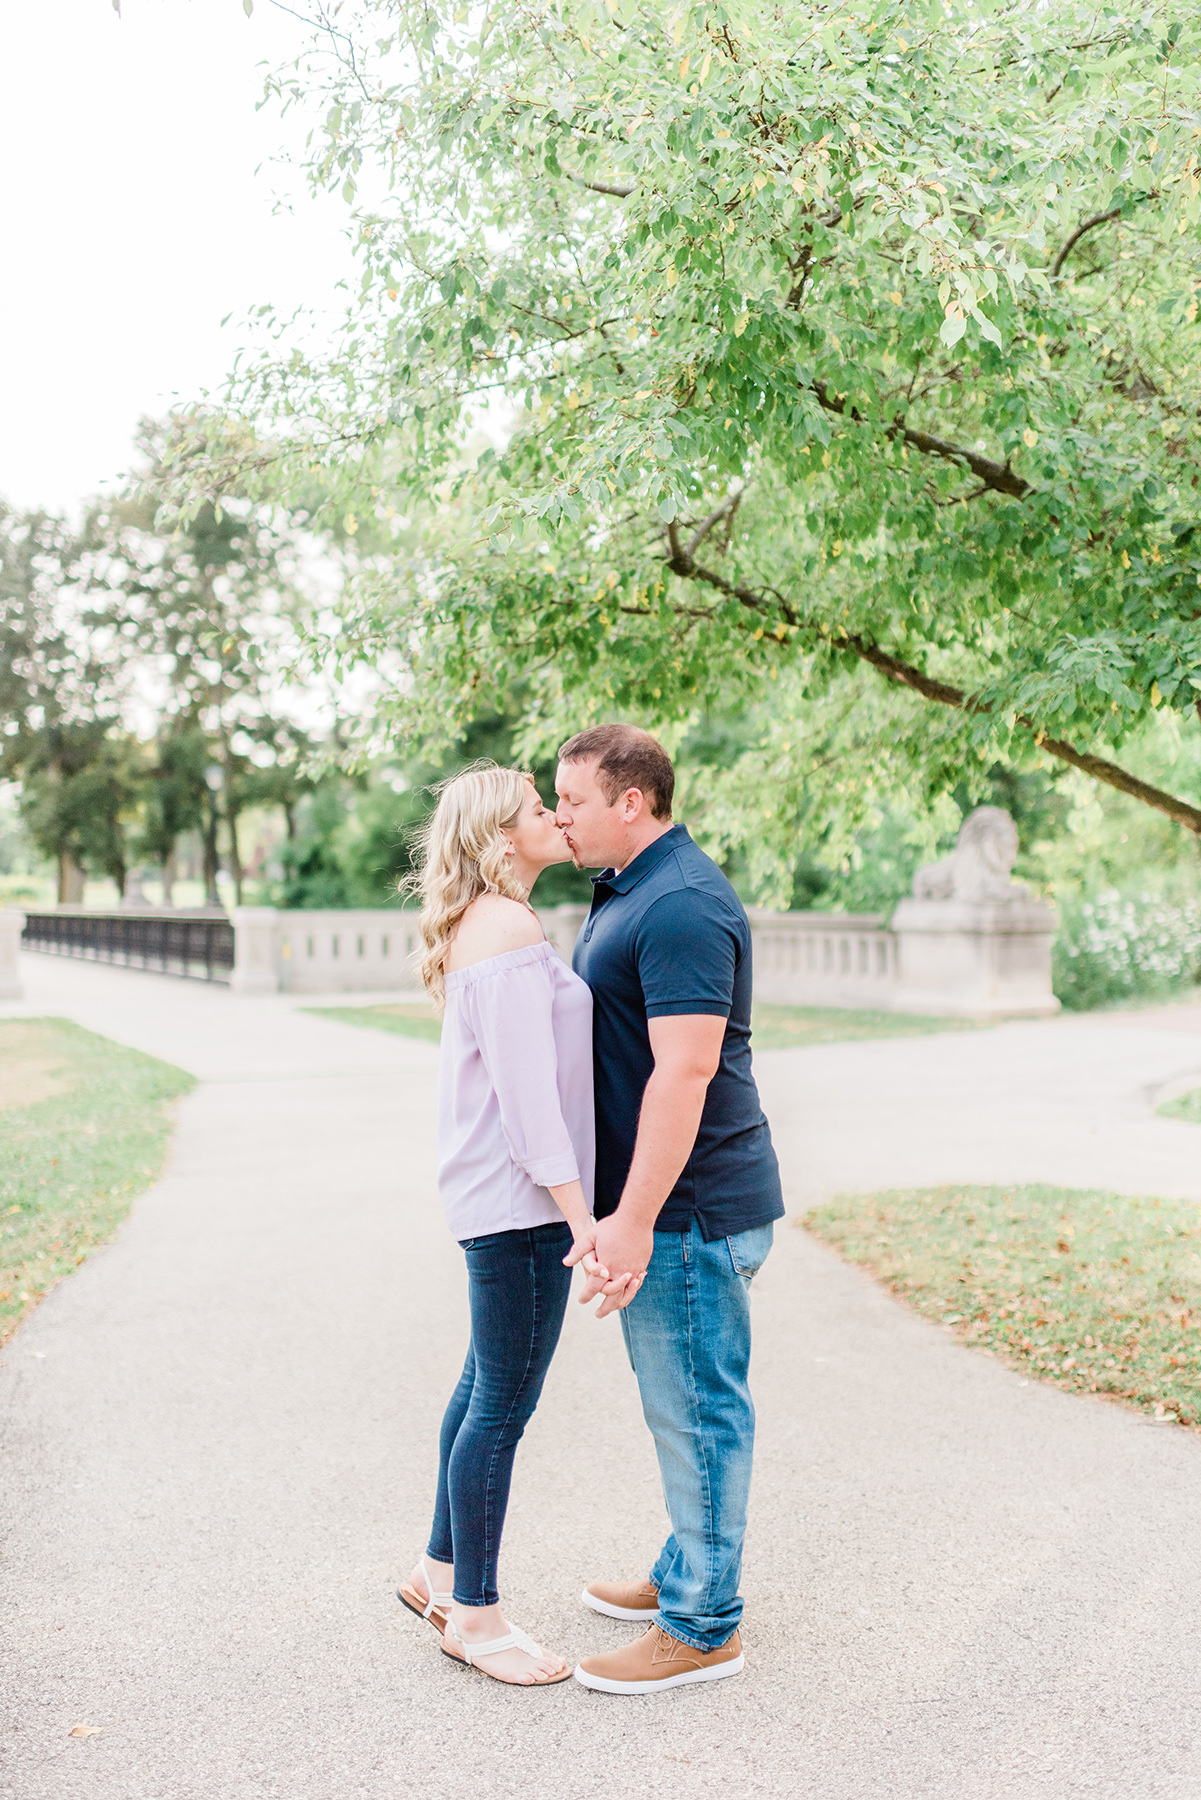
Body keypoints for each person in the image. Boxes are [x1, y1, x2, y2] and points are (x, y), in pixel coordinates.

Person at [554, 724, 784, 1695]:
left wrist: (634, 1218)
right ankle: (687, 1565)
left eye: (570, 801)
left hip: (689, 1210)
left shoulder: (681, 903)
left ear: (630, 803)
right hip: (673, 1205)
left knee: (697, 1410)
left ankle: (701, 1625)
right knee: (680, 1405)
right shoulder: (634, 889)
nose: (557, 816)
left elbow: (684, 1073)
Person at [397, 762, 638, 1687]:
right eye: (541, 809)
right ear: (501, 838)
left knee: (481, 1385)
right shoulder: (503, 925)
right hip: (518, 1201)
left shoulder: (495, 922)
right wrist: (582, 1218)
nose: (555, 818)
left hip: (505, 1197)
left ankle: (437, 1573)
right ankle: (478, 1617)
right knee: (501, 1404)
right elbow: (527, 1098)